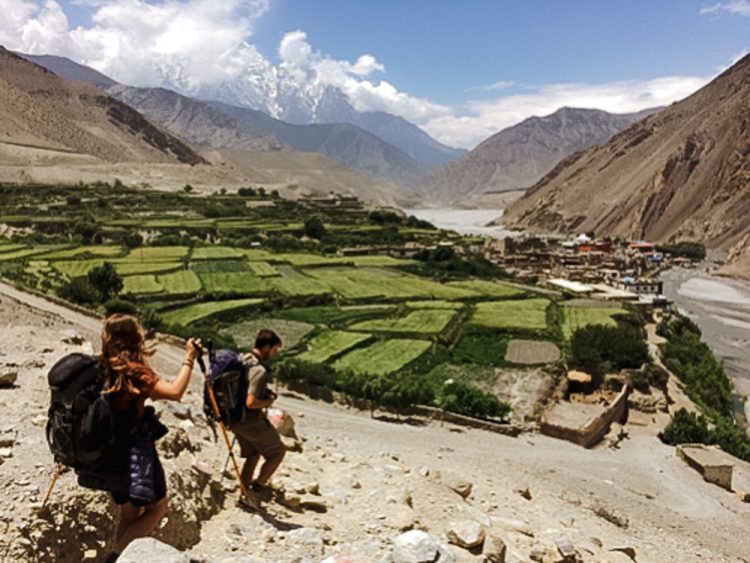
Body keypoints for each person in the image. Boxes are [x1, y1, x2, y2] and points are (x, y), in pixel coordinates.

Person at [98, 314, 200, 562]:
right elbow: (175, 392)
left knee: (130, 515)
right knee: (158, 506)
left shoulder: (102, 366)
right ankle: (115, 558)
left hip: (108, 450)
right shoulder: (135, 372)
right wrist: (189, 358)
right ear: (135, 338)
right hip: (135, 451)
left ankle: (120, 556)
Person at [229, 329, 285, 506]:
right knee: (277, 452)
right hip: (249, 420)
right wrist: (267, 402)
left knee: (252, 454)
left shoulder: (242, 360)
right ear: (267, 347)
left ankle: (244, 493)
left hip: (232, 418)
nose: (274, 354)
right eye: (274, 350)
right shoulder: (259, 370)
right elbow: (251, 402)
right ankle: (257, 489)